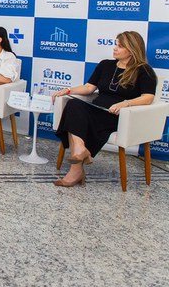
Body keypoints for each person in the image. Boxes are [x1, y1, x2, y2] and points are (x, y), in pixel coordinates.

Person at [52, 31, 157, 187]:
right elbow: (89, 88)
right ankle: (80, 150)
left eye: (120, 46)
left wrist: (125, 104)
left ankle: (76, 169)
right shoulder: (105, 65)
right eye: (116, 44)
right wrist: (68, 90)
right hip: (97, 108)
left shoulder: (144, 70)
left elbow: (148, 97)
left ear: (132, 49)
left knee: (79, 118)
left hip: (118, 115)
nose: (115, 48)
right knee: (73, 104)